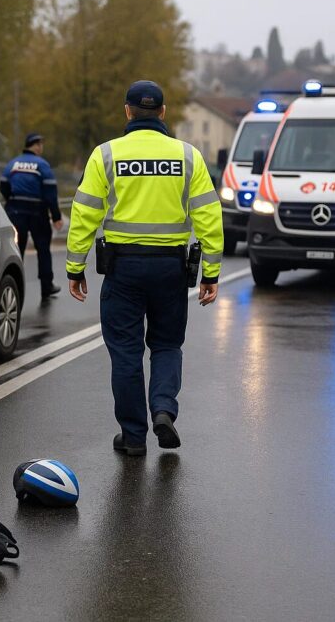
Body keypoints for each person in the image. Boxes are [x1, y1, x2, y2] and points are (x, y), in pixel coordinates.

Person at [65, 80, 223, 456]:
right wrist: (211, 273)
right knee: (167, 344)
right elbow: (209, 216)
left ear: (127, 111)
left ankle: (133, 437)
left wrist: (75, 267)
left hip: (123, 269)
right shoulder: (188, 156)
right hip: (170, 268)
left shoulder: (106, 155)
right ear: (163, 113)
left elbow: (84, 214)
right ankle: (163, 409)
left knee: (126, 351)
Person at [0, 133, 63, 299]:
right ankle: (46, 286)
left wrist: (11, 202)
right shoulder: (42, 165)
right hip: (37, 212)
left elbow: (3, 185)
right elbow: (50, 193)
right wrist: (56, 217)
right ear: (36, 145)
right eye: (41, 144)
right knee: (43, 249)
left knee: (15, 250)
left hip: (15, 211)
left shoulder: (13, 163)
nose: (42, 147)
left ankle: (13, 287)